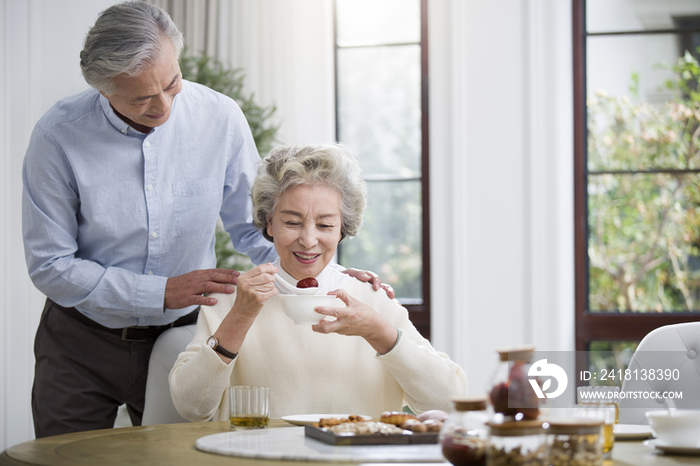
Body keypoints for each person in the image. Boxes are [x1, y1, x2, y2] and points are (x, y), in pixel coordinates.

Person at [22, 1, 389, 438]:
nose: (163, 107)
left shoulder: (219, 117)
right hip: (81, 342)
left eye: (172, 83)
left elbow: (257, 228)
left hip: (184, 339)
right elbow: (50, 264)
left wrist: (327, 272)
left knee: (178, 461)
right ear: (105, 89)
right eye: (141, 98)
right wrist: (161, 291)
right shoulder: (58, 136)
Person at [169, 143, 467, 421]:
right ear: (269, 223)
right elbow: (192, 408)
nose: (309, 240)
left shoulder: (373, 299)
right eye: (292, 222)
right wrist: (240, 316)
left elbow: (448, 403)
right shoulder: (231, 301)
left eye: (325, 225)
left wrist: (379, 332)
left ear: (342, 229)